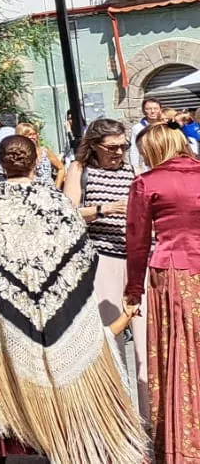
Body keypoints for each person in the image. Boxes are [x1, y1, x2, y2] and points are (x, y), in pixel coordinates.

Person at [0, 134, 147, 464]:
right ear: (35, 162)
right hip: (61, 303)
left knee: (21, 369)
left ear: (1, 164)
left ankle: (33, 438)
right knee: (66, 375)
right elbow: (84, 254)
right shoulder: (55, 200)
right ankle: (77, 439)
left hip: (6, 307)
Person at [127, 123, 200, 464]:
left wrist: (132, 290)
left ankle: (185, 440)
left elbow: (137, 240)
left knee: (180, 354)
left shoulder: (147, 183)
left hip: (172, 272)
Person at [65, 116, 144, 414]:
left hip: (137, 261)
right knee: (110, 340)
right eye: (111, 147)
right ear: (94, 145)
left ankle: (149, 418)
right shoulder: (80, 170)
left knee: (144, 345)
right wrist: (105, 209)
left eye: (123, 146)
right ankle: (119, 414)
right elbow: (68, 212)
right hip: (103, 260)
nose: (118, 153)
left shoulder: (133, 170)